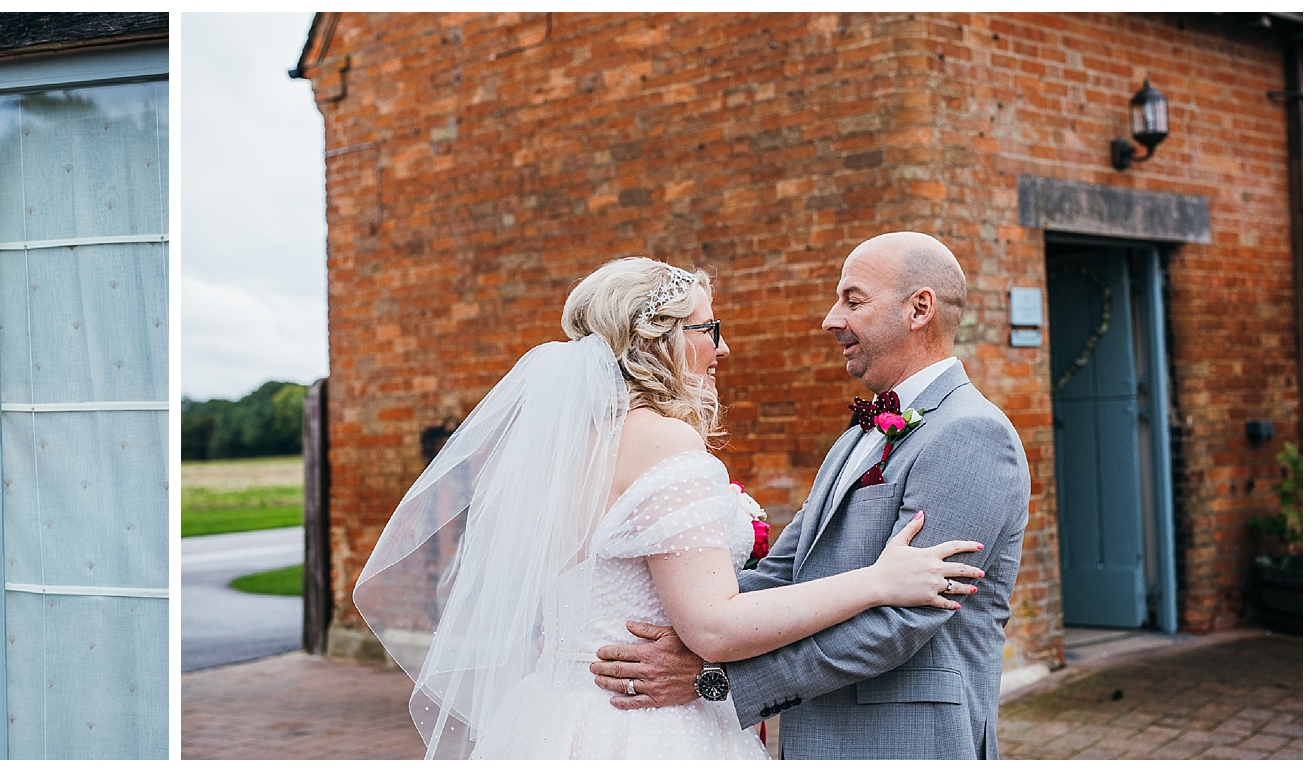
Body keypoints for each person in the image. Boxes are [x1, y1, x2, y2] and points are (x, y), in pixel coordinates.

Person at [353, 256, 989, 759]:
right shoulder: (662, 439)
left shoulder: (572, 450)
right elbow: (713, 624)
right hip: (645, 727)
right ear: (657, 340)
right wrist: (878, 581)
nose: (723, 348)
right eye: (708, 329)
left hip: (559, 709)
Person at [588, 233, 1031, 759]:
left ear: (919, 309)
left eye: (853, 299)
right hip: (816, 738)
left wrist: (715, 677)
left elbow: (903, 621)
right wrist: (679, 618)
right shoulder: (856, 437)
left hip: (902, 744)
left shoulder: (971, 434)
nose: (830, 319)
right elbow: (783, 573)